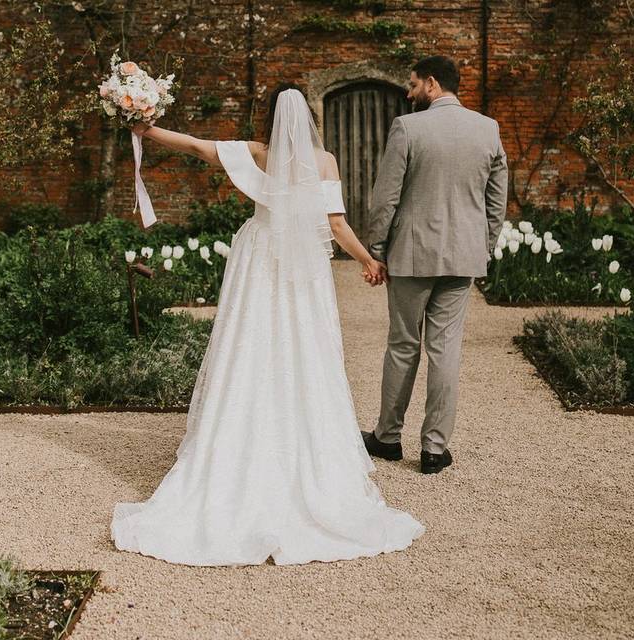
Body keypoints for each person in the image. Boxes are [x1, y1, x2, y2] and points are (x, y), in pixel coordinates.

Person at [110, 84, 425, 566]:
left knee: (250, 347)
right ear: (308, 119)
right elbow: (337, 225)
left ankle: (237, 443)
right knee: (305, 350)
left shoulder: (257, 154)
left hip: (259, 260)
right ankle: (304, 452)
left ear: (270, 117)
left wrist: (146, 129)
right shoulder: (326, 162)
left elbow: (195, 146)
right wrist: (368, 261)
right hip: (304, 271)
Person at [362, 55, 509, 474]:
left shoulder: (409, 127)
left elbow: (386, 195)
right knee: (445, 350)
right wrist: (484, 245)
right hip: (463, 256)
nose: (408, 93)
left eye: (412, 85)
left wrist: (377, 248)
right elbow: (496, 198)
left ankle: (387, 438)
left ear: (431, 83)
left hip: (411, 254)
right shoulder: (488, 129)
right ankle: (433, 449)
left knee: (403, 345)